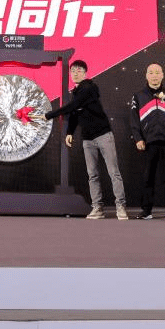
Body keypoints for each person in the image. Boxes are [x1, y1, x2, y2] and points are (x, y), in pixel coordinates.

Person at [38, 59, 127, 220]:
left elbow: (73, 106)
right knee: (92, 175)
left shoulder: (89, 88)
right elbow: (75, 112)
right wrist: (70, 132)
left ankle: (120, 206)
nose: (75, 73)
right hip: (87, 139)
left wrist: (49, 115)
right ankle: (97, 208)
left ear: (85, 73)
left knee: (114, 172)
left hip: (103, 135)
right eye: (73, 70)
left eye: (79, 70)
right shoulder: (76, 92)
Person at [127, 62, 165, 220]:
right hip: (147, 143)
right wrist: (138, 138)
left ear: (163, 75)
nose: (154, 76)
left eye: (157, 72)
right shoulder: (138, 96)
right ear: (146, 75)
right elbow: (133, 120)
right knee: (147, 177)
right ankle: (146, 211)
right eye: (151, 72)